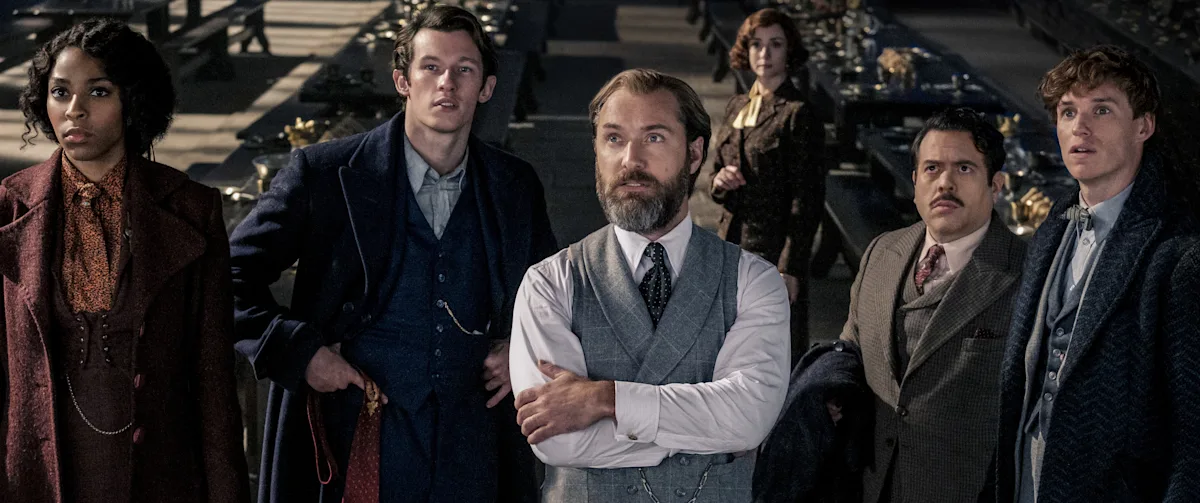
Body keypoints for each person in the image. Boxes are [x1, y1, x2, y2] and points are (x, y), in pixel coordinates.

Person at [230, 5, 555, 503]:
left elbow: (552, 298)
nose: (446, 83)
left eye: (464, 70)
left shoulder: (514, 185)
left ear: (487, 87)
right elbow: (225, 274)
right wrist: (299, 351)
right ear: (402, 81)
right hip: (354, 435)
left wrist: (522, 352)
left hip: (473, 445)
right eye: (431, 67)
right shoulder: (323, 175)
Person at [509, 69, 791, 502]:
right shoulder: (549, 283)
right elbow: (557, 440)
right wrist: (710, 432)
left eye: (654, 137)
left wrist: (607, 400)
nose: (630, 160)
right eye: (614, 138)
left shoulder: (754, 281)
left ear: (694, 154)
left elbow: (750, 417)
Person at [1, 19, 249, 502]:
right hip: (35, 476)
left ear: (133, 100)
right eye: (60, 92)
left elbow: (214, 382)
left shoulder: (192, 209)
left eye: (98, 91)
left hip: (161, 477)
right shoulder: (9, 206)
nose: (74, 110)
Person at [995, 45, 1200, 503]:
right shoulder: (1053, 227)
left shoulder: (1179, 255)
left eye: (1101, 110)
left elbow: (1193, 438)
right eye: (1068, 112)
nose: (1080, 128)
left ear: (1144, 126)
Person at [836, 108, 1025, 503]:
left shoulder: (1027, 274)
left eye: (964, 169)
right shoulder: (881, 252)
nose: (945, 183)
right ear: (915, 182)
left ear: (996, 185)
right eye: (932, 168)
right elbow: (850, 353)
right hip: (868, 486)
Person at [710, 7, 824, 360]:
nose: (764, 53)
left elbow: (808, 199)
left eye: (775, 44)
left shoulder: (798, 113)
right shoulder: (737, 105)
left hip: (772, 250)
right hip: (730, 244)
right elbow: (717, 170)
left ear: (789, 51)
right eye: (756, 44)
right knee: (730, 348)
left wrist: (790, 267)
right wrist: (720, 181)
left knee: (772, 351)